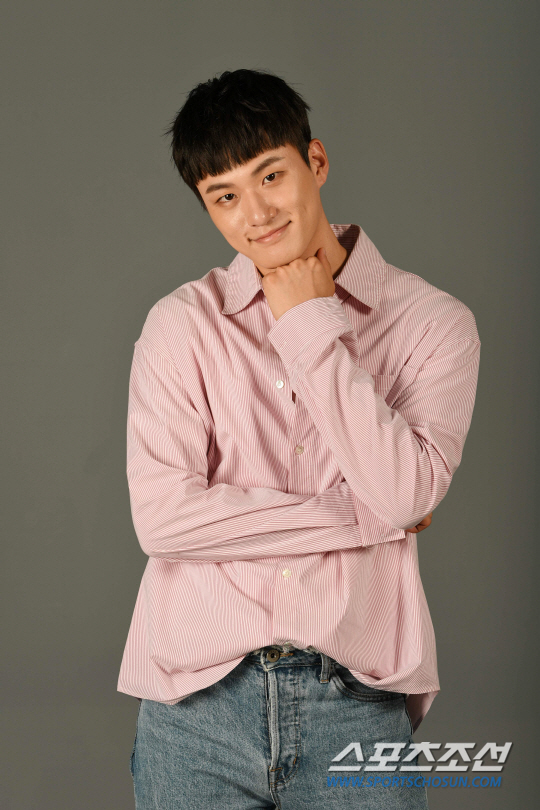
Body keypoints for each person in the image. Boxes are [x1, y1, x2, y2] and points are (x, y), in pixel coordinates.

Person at [118, 68, 480, 809]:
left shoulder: (434, 325)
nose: (255, 214)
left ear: (315, 161)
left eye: (270, 176)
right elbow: (162, 521)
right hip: (195, 712)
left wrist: (309, 326)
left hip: (356, 703)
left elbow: (403, 495)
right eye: (224, 196)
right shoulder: (182, 325)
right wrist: (363, 517)